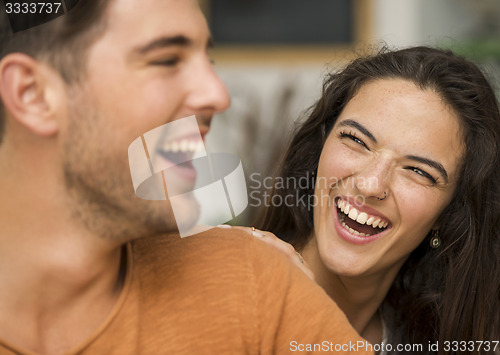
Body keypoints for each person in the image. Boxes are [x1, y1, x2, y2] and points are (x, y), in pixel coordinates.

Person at [0, 1, 373, 354]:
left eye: (205, 61)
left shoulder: (251, 285)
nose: (217, 95)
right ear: (32, 94)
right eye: (166, 60)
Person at [259, 46, 500, 353]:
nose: (371, 184)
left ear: (449, 212)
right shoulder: (225, 284)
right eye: (356, 140)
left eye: (418, 171)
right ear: (320, 147)